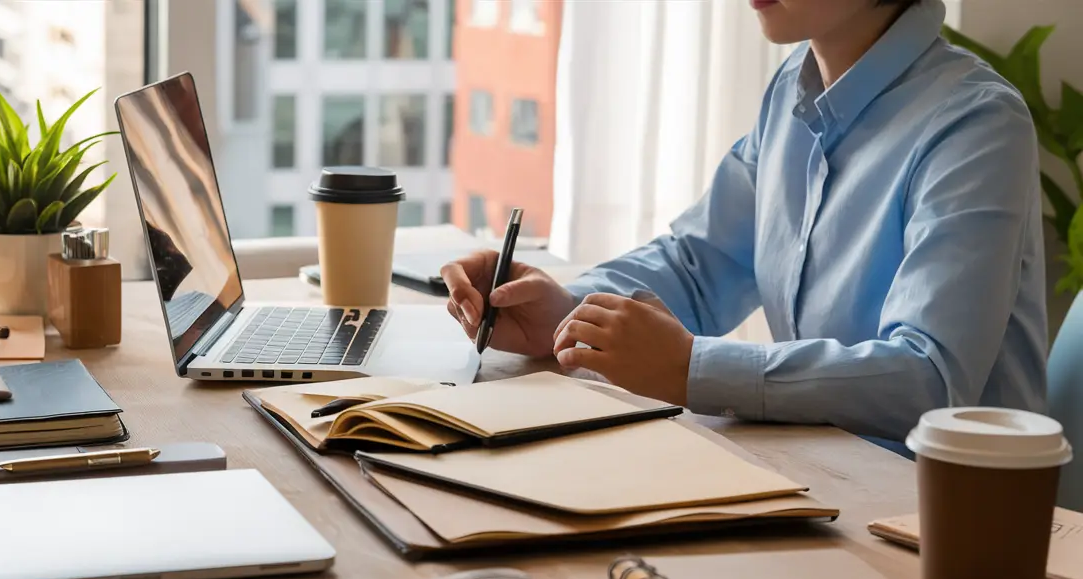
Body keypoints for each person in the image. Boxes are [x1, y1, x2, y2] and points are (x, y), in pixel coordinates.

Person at [442, 0, 1047, 450]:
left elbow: (929, 381)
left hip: (947, 523)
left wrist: (691, 369)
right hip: (821, 474)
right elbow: (701, 266)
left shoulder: (975, 125)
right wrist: (570, 311)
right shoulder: (793, 89)